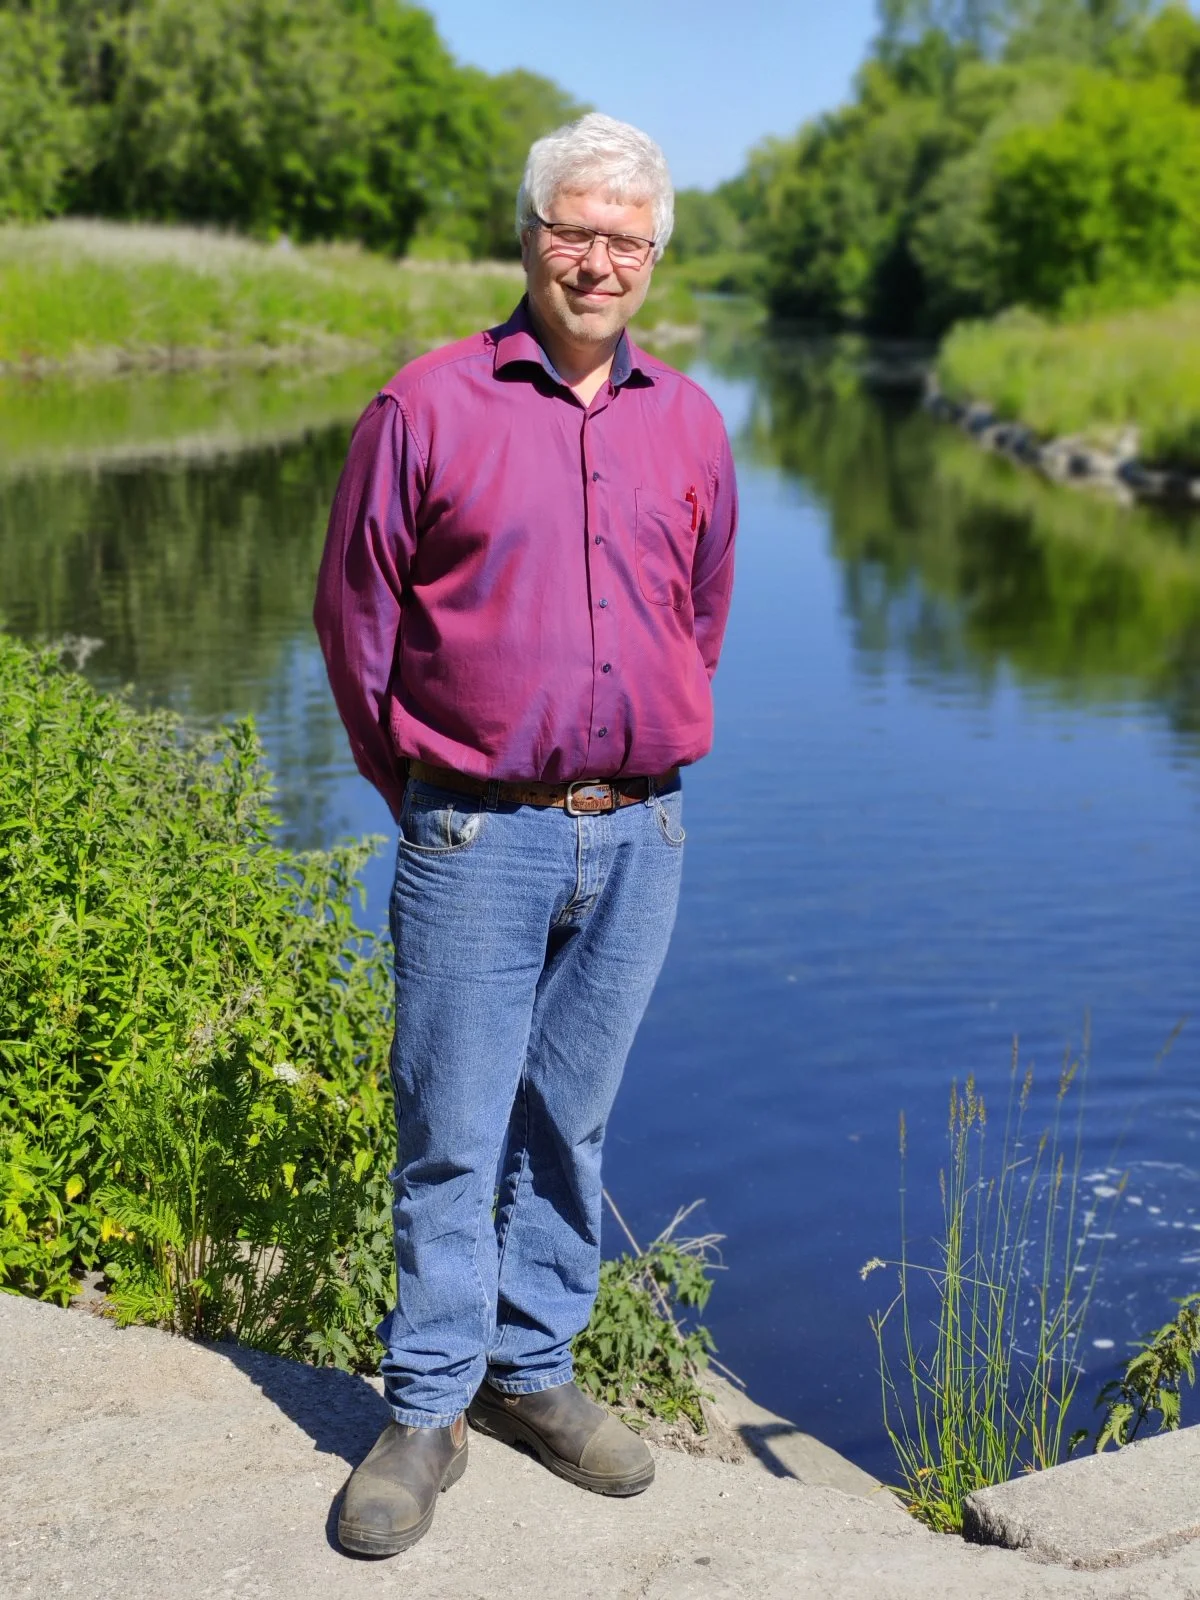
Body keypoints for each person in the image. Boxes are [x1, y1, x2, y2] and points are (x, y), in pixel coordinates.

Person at [313, 111, 737, 1557]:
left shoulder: (689, 419)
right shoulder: (424, 406)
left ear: (656, 259)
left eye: (628, 238)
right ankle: (426, 1405)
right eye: (577, 229)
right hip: (473, 839)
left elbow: (703, 612)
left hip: (640, 839)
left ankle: (534, 1373)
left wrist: (642, 745)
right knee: (450, 1124)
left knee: (572, 1120)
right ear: (528, 237)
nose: (600, 258)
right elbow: (356, 629)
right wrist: (434, 798)